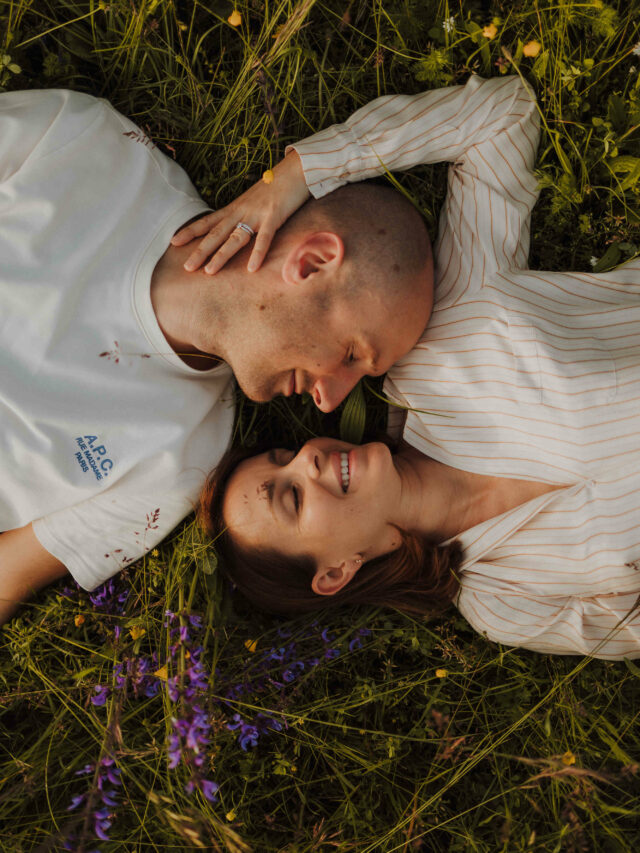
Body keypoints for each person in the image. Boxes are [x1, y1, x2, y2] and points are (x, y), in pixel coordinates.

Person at [195, 74, 640, 660]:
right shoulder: (503, 603)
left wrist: (295, 177)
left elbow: (499, 117)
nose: (308, 458)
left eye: (284, 457)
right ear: (336, 573)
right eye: (293, 497)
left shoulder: (435, 343)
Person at [0, 89, 432, 623]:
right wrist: (294, 175)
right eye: (351, 355)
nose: (327, 403)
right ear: (314, 262)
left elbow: (7, 575)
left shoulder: (185, 461)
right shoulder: (82, 146)